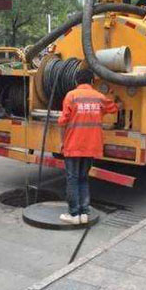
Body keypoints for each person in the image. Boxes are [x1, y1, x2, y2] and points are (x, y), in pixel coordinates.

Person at [57, 69, 119, 225]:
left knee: (72, 179)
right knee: (83, 178)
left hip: (73, 145)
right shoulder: (99, 97)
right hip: (91, 145)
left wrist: (62, 142)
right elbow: (114, 108)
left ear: (76, 81)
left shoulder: (71, 96)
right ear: (92, 81)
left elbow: (63, 122)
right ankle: (84, 213)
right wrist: (118, 100)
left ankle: (74, 214)